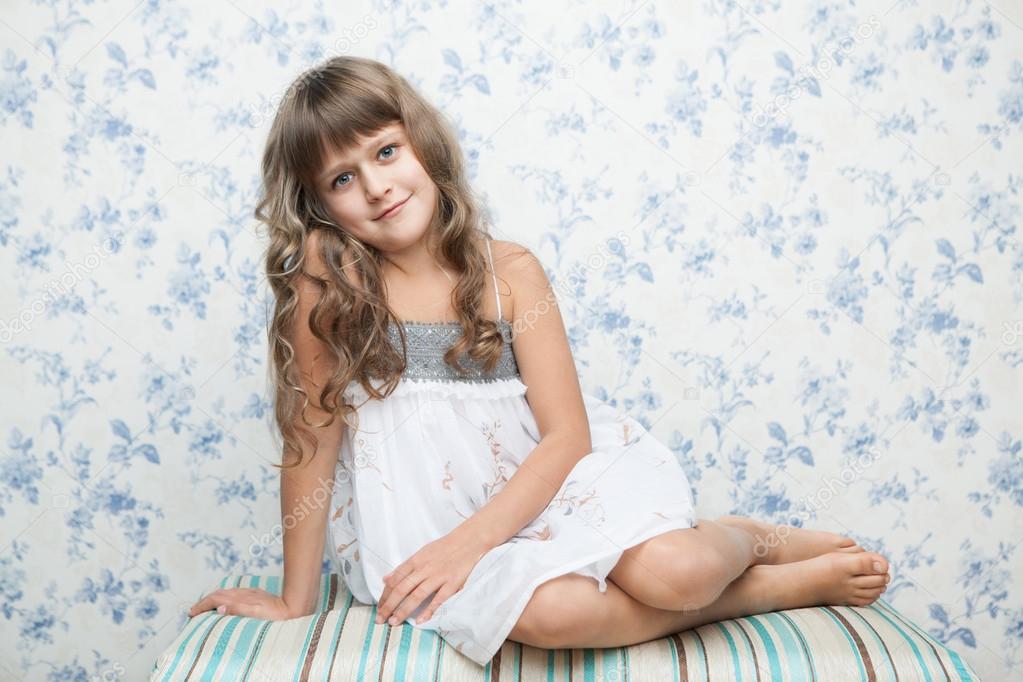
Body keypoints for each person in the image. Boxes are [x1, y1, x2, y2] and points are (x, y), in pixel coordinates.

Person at [187, 56, 891, 666]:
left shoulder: (509, 272)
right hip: (429, 529)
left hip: (545, 492)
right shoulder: (328, 287)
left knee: (677, 572)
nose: (374, 186)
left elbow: (565, 436)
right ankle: (766, 595)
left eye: (384, 151)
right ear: (318, 206)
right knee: (552, 618)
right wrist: (295, 599)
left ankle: (750, 541)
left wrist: (472, 543)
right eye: (341, 179)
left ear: (421, 144)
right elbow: (312, 438)